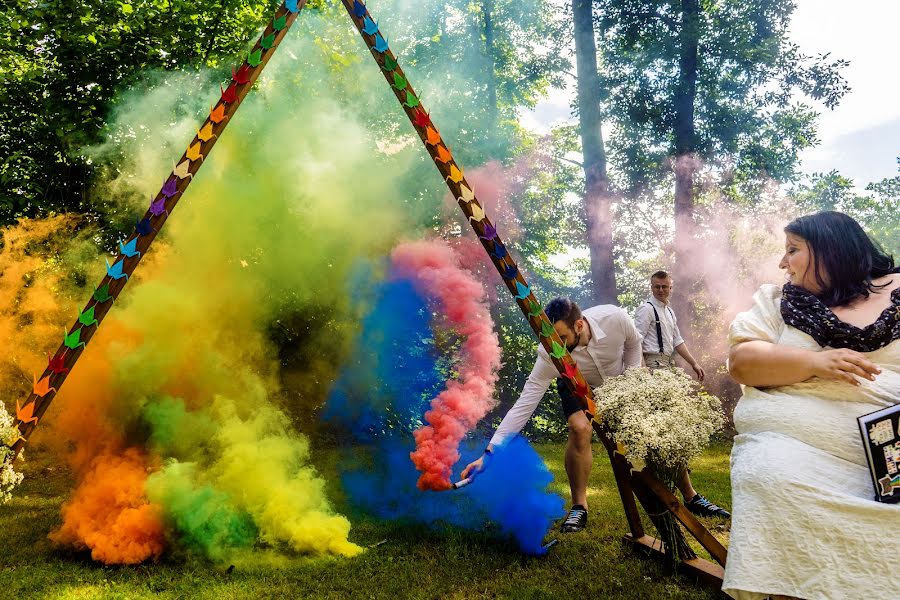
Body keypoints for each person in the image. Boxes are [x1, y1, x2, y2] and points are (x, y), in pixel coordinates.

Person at [724, 211, 900, 600]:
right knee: (770, 475)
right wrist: (814, 362)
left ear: (830, 248)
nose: (782, 262)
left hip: (890, 460)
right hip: (792, 449)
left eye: (793, 249)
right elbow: (742, 362)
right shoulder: (776, 301)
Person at [460, 297, 641, 532]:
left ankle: (689, 495)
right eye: (550, 340)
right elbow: (524, 404)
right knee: (579, 428)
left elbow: (635, 342)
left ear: (579, 325)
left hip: (618, 382)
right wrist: (489, 453)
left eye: (561, 338)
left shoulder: (614, 317)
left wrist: (633, 379)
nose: (555, 346)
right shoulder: (551, 355)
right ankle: (579, 507)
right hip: (574, 383)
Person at [634, 271, 730, 518]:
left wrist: (694, 363)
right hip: (652, 368)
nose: (661, 291)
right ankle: (684, 495)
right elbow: (636, 341)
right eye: (657, 287)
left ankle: (684, 492)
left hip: (669, 367)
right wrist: (642, 372)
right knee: (667, 431)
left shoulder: (669, 311)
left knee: (675, 430)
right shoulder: (646, 309)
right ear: (651, 286)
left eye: (665, 287)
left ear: (671, 287)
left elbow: (677, 340)